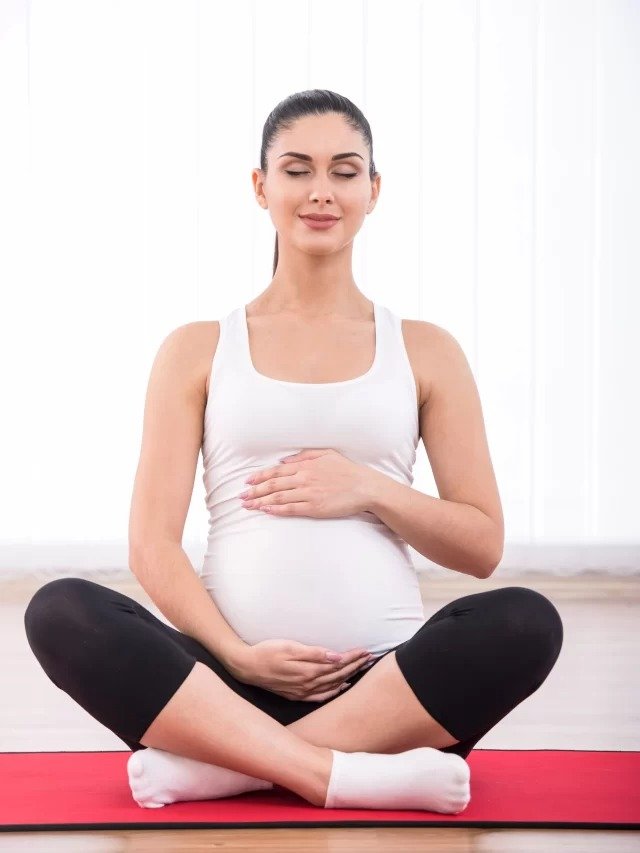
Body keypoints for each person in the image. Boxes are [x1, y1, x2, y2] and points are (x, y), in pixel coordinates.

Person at [24, 89, 563, 813]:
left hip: (386, 692)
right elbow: (152, 544)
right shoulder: (196, 348)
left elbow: (481, 546)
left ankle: (232, 769)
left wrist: (368, 488)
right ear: (261, 186)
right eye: (297, 169)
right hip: (217, 686)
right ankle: (335, 771)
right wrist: (240, 655)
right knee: (61, 611)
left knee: (527, 620)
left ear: (374, 190)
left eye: (345, 171)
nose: (321, 192)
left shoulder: (428, 350)